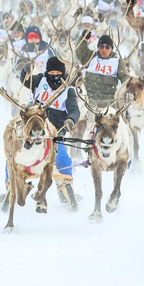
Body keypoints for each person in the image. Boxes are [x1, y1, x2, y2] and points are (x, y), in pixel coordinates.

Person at [19, 56, 80, 209]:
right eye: (51, 72)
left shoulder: (68, 87)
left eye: (57, 72)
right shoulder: (39, 80)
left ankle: (66, 186)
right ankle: (10, 186)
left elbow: (73, 108)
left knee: (63, 159)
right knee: (17, 155)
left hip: (55, 133)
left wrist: (71, 119)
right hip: (34, 130)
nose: (54, 75)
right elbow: (25, 80)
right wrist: (25, 70)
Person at [76, 34, 130, 110]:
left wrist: (129, 89)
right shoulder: (92, 57)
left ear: (111, 48)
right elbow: (80, 52)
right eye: (101, 47)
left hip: (108, 103)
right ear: (98, 47)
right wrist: (84, 38)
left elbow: (125, 78)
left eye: (107, 47)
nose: (104, 49)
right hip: (89, 101)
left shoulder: (116, 62)